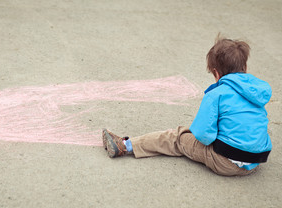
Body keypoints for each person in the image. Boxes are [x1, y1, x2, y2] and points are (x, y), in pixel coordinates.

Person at [102, 35, 272, 176]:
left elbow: (203, 135)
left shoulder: (216, 95)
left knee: (177, 137)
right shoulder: (256, 92)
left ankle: (125, 146)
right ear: (245, 67)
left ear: (216, 73)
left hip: (226, 162)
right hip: (255, 162)